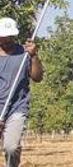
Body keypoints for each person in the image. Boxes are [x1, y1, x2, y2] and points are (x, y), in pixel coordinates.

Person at [0, 17, 43, 167]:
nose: (5, 39)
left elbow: (37, 77)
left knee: (11, 148)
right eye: (2, 36)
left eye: (8, 36)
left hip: (17, 108)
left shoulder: (24, 53)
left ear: (13, 35)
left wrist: (34, 56)